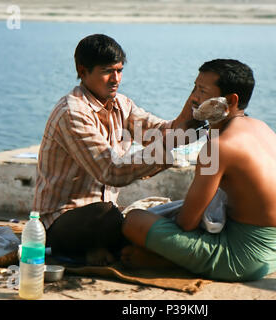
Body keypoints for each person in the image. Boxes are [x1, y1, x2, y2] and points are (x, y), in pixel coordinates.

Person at [121, 59, 276, 281]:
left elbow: (187, 223)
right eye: (194, 87)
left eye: (202, 91)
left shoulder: (219, 146)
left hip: (243, 260)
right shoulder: (262, 128)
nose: (194, 97)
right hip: (275, 252)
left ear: (230, 100)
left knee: (134, 221)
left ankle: (165, 261)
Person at [33, 34, 198, 265]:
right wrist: (169, 144)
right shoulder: (72, 112)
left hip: (103, 216)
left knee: (159, 212)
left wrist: (191, 112)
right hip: (59, 223)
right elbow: (111, 172)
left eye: (120, 71)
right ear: (82, 71)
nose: (116, 79)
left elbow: (159, 131)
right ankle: (113, 250)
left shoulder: (121, 104)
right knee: (109, 216)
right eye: (107, 71)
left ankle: (103, 252)